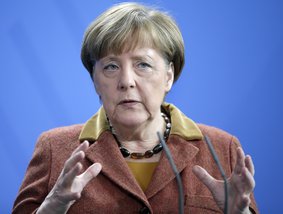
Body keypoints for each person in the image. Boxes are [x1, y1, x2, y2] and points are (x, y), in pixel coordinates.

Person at [13, 2, 258, 214]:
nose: (126, 81)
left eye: (143, 64)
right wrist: (54, 206)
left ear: (169, 76)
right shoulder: (55, 148)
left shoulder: (221, 148)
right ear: (95, 80)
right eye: (111, 66)